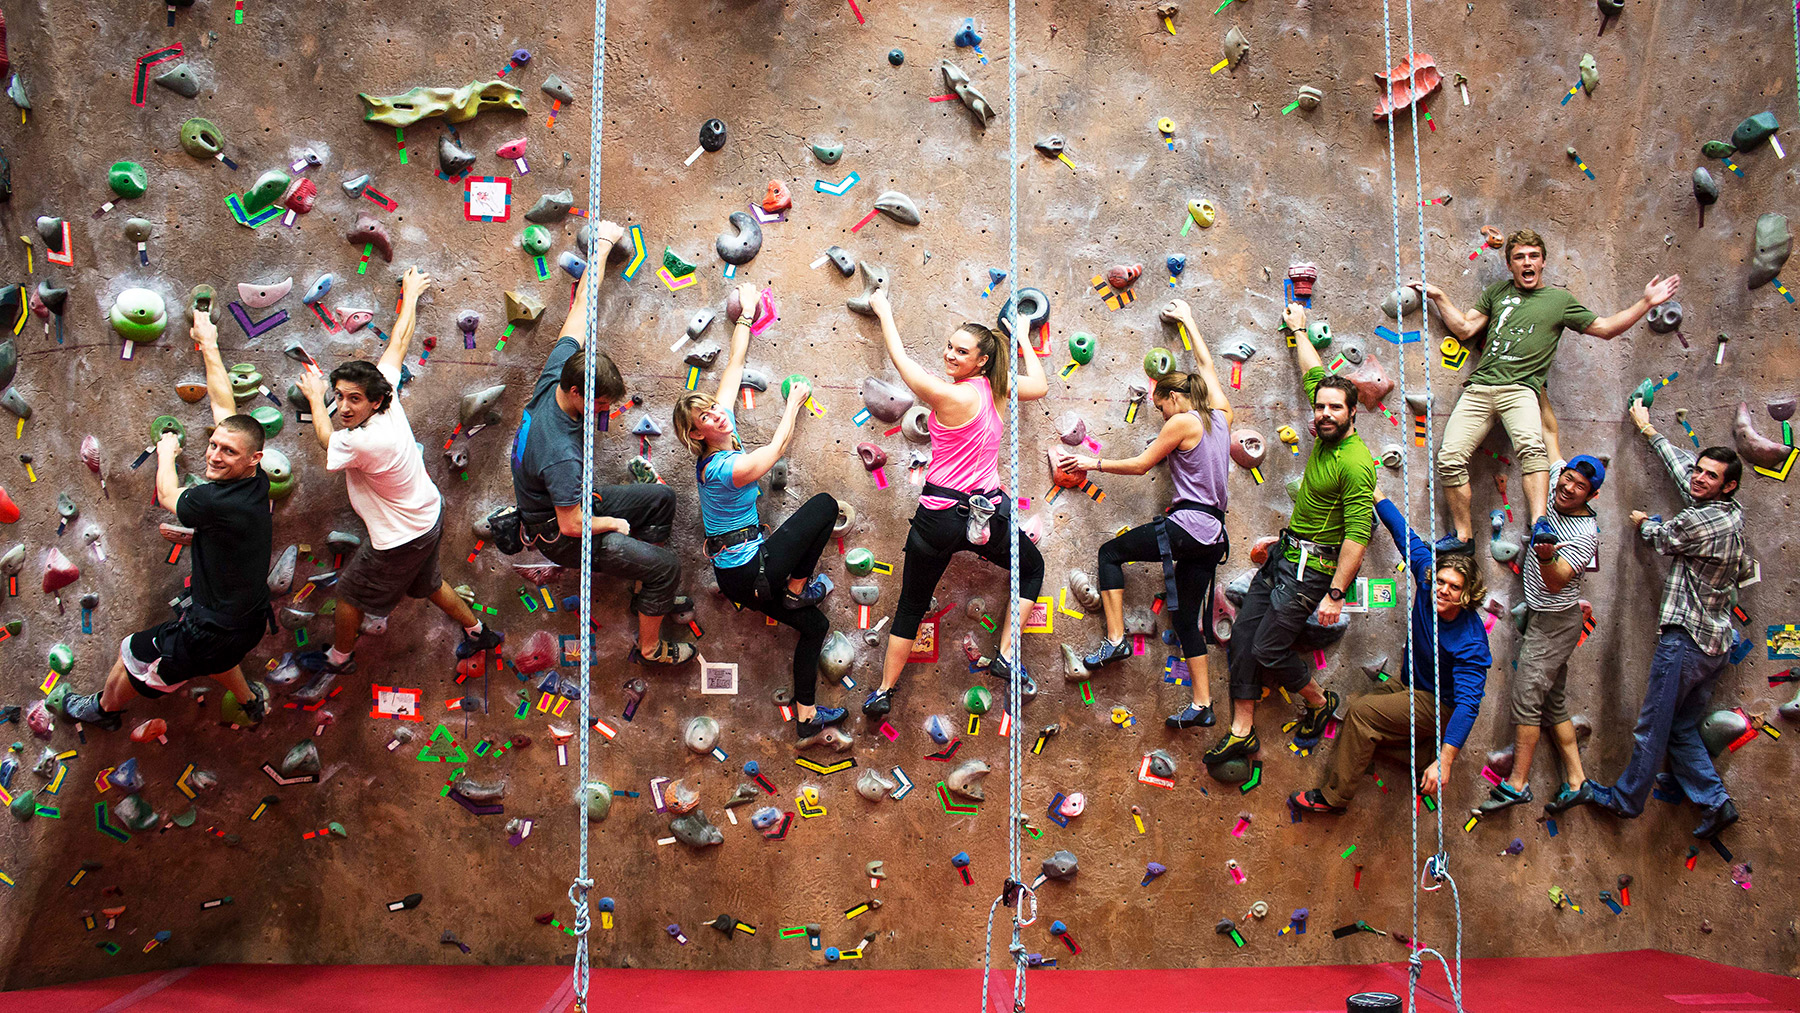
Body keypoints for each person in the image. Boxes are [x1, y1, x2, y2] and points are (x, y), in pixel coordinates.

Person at [295, 267, 503, 688]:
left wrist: (318, 400)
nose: (346, 407)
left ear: (374, 401)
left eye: (354, 399)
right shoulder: (385, 394)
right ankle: (481, 634)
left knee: (351, 596)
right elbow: (398, 344)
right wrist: (409, 296)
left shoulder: (363, 441)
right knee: (428, 584)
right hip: (426, 515)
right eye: (340, 397)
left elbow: (324, 438)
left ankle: (339, 657)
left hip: (401, 536)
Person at [63, 312, 273, 729]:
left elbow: (167, 496)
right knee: (220, 657)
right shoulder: (256, 481)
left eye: (227, 452)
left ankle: (105, 711)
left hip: (210, 629)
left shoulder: (214, 501)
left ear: (253, 458)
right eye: (214, 445)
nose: (214, 455)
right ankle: (249, 700)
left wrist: (167, 451)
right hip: (248, 619)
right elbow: (224, 408)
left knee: (132, 653)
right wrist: (208, 343)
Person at [1414, 229, 1679, 554]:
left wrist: (1646, 302)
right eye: (1519, 258)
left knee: (1532, 450)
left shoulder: (1559, 301)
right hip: (1480, 388)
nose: (1526, 262)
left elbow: (1606, 329)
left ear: (1542, 261)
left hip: (1522, 390)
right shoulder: (1497, 293)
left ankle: (1540, 523)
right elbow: (1465, 328)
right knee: (1449, 458)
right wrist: (1439, 296)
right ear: (1510, 265)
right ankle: (1463, 537)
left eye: (1532, 256)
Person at [858, 286, 1048, 717]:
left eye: (961, 351)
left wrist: (885, 309)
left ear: (981, 360)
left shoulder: (951, 396)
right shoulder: (1000, 391)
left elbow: (903, 365)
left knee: (911, 603)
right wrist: (1021, 335)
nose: (950, 355)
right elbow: (1040, 383)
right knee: (1031, 569)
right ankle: (1004, 654)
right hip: (983, 516)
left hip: (938, 518)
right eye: (949, 347)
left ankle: (885, 690)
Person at [672, 282, 845, 742]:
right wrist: (793, 403)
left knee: (816, 626)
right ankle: (794, 587)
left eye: (713, 409)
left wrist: (746, 316)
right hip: (750, 568)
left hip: (746, 569)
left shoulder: (723, 432)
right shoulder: (725, 467)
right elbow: (776, 447)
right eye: (705, 419)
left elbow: (733, 367)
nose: (716, 415)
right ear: (697, 436)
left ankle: (806, 720)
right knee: (826, 505)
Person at [511, 219, 690, 665]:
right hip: (561, 531)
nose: (606, 413)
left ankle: (641, 581)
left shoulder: (558, 373)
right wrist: (613, 525)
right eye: (601, 404)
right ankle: (650, 647)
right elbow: (572, 525)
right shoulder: (561, 452)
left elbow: (577, 320)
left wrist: (602, 252)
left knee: (661, 499)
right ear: (578, 393)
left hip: (569, 501)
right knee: (668, 568)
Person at [1205, 302, 1375, 767]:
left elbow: (1360, 534)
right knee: (1242, 637)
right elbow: (1314, 371)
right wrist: (1299, 331)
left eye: (1334, 408)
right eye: (1320, 406)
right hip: (1285, 558)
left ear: (1353, 414)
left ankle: (1321, 703)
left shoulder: (1356, 462)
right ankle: (1241, 731)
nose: (1323, 413)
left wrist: (1335, 595)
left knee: (1267, 648)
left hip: (1312, 573)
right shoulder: (1324, 435)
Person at [1574, 401, 1752, 839]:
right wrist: (1650, 431)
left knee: (1652, 727)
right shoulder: (1728, 512)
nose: (1699, 477)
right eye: (1701, 470)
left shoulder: (1702, 523)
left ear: (1728, 486)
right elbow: (1683, 474)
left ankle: (1625, 800)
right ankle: (1715, 802)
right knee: (1680, 729)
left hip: (1686, 643)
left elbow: (1663, 537)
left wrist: (1643, 523)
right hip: (1713, 645)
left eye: (1711, 476)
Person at [1058, 299, 1231, 730]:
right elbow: (1208, 366)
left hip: (1188, 525)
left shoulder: (1183, 421)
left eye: (1160, 406)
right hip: (1213, 536)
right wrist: (1189, 320)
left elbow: (1140, 465)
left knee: (1110, 553)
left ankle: (1116, 640)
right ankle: (1203, 704)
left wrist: (1089, 464)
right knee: (1187, 618)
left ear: (1174, 398)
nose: (1160, 415)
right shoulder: (1222, 417)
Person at [1290, 486, 1490, 813]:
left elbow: (1468, 705)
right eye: (1441, 581)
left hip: (1443, 706)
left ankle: (1334, 798)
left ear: (1468, 595)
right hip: (1412, 685)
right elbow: (1403, 534)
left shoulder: (1470, 642)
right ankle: (1422, 754)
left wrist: (1447, 761)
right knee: (1358, 710)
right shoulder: (1427, 580)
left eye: (1454, 588)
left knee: (1362, 715)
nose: (1443, 590)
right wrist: (1376, 492)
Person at [1476, 456, 1604, 814]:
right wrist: (1540, 396)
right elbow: (1548, 434)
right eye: (1568, 478)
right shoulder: (1553, 485)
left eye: (1580, 486)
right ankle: (1578, 781)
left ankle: (1517, 783)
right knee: (1553, 703)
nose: (1568, 487)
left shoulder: (1584, 536)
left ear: (1592, 495)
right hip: (1543, 619)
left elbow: (1556, 580)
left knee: (1526, 699)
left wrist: (1546, 557)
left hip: (1555, 623)